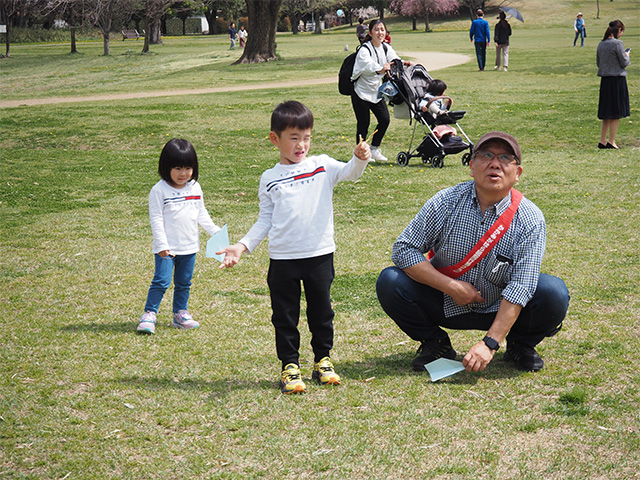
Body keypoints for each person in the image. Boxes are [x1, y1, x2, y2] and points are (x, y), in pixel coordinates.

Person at [376, 131, 570, 373]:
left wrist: (490, 343)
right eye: (486, 155)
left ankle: (520, 344)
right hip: (444, 302)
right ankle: (435, 343)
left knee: (553, 292)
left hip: (499, 306)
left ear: (517, 173)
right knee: (390, 281)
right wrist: (450, 286)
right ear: (471, 166)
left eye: (505, 157)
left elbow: (522, 285)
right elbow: (404, 249)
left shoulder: (530, 218)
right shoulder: (445, 201)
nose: (495, 163)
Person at [217, 101, 371, 394]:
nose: (302, 145)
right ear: (275, 139)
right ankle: (290, 366)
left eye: (307, 137)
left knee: (321, 312)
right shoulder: (269, 178)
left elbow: (352, 172)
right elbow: (265, 219)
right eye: (294, 138)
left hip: (319, 256)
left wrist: (360, 158)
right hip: (283, 260)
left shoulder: (322, 165)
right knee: (284, 315)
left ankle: (323, 361)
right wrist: (241, 246)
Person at [137, 139, 222, 335]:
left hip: (189, 247)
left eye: (188, 168)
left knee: (184, 282)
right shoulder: (159, 190)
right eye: (177, 168)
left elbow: (201, 213)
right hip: (167, 248)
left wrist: (215, 231)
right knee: (161, 281)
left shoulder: (195, 188)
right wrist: (161, 244)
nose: (183, 173)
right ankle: (149, 314)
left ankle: (180, 314)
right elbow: (156, 219)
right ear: (166, 167)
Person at [351, 19, 411, 162]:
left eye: (382, 29)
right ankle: (361, 154)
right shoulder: (364, 49)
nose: (380, 32)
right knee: (363, 124)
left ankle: (374, 149)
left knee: (384, 120)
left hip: (376, 92)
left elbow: (394, 58)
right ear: (370, 32)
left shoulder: (385, 47)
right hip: (361, 92)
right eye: (376, 30)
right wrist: (380, 69)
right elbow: (368, 65)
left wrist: (403, 63)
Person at [597, 20, 631, 150]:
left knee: (606, 112)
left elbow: (599, 63)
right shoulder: (618, 43)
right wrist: (627, 55)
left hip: (605, 81)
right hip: (617, 80)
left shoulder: (601, 43)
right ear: (619, 30)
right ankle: (612, 141)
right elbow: (624, 62)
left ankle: (602, 140)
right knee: (616, 112)